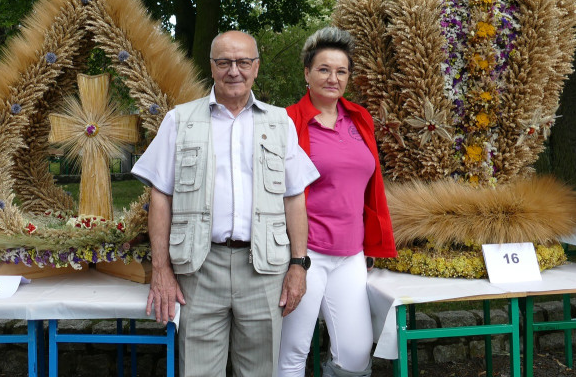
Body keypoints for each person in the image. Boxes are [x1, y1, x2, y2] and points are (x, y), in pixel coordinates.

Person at [132, 30, 320, 377]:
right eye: (224, 62)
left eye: (243, 62)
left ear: (256, 67)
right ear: (212, 67)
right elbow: (160, 196)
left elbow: (294, 198)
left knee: (260, 371)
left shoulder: (280, 123)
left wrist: (298, 265)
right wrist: (161, 269)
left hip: (264, 270)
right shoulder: (179, 120)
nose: (234, 70)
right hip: (200, 268)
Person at [277, 27, 397, 377]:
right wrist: (293, 258)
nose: (333, 78)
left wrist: (371, 241)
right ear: (307, 73)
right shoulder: (287, 121)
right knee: (293, 352)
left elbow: (369, 188)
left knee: (357, 355)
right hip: (304, 254)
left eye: (341, 71)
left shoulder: (359, 119)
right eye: (324, 69)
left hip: (351, 255)